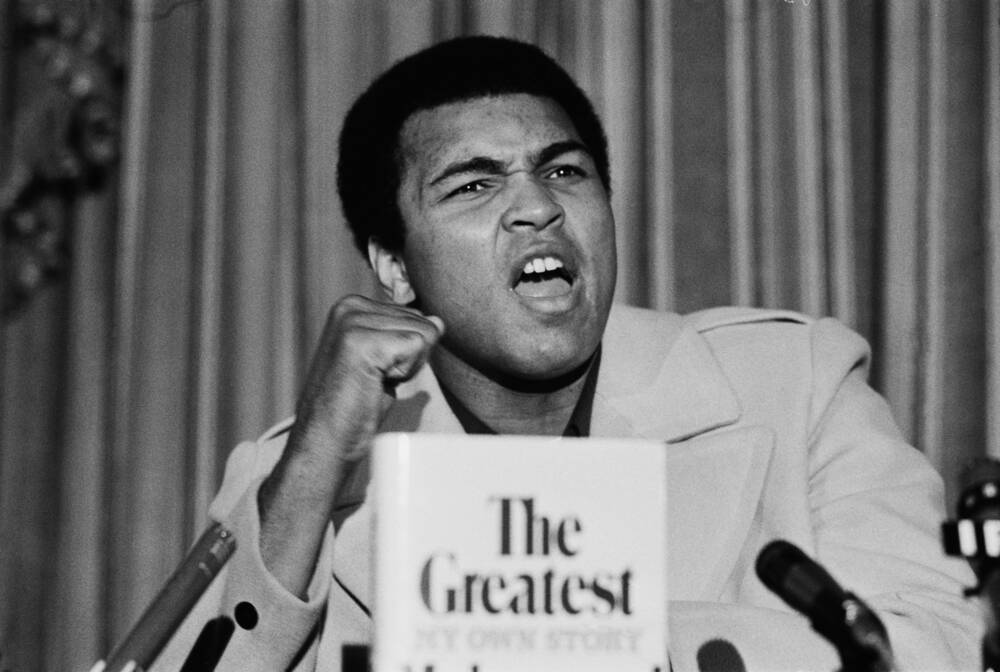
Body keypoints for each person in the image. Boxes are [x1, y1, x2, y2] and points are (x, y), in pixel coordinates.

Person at [155, 36, 980, 670]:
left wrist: (609, 646)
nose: (536, 207)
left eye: (564, 172)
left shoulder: (796, 384)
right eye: (474, 185)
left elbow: (937, 644)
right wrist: (312, 471)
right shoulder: (296, 477)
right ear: (395, 268)